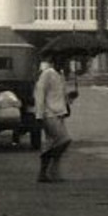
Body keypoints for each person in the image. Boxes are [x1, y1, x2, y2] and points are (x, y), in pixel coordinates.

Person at [33, 53, 75, 183]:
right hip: (48, 113)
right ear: (54, 61)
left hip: (59, 113)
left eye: (65, 61)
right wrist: (39, 115)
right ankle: (48, 168)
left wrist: (70, 100)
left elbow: (60, 95)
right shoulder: (47, 74)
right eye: (61, 61)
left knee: (51, 143)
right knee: (64, 140)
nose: (63, 63)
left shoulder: (60, 75)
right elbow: (40, 94)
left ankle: (47, 173)